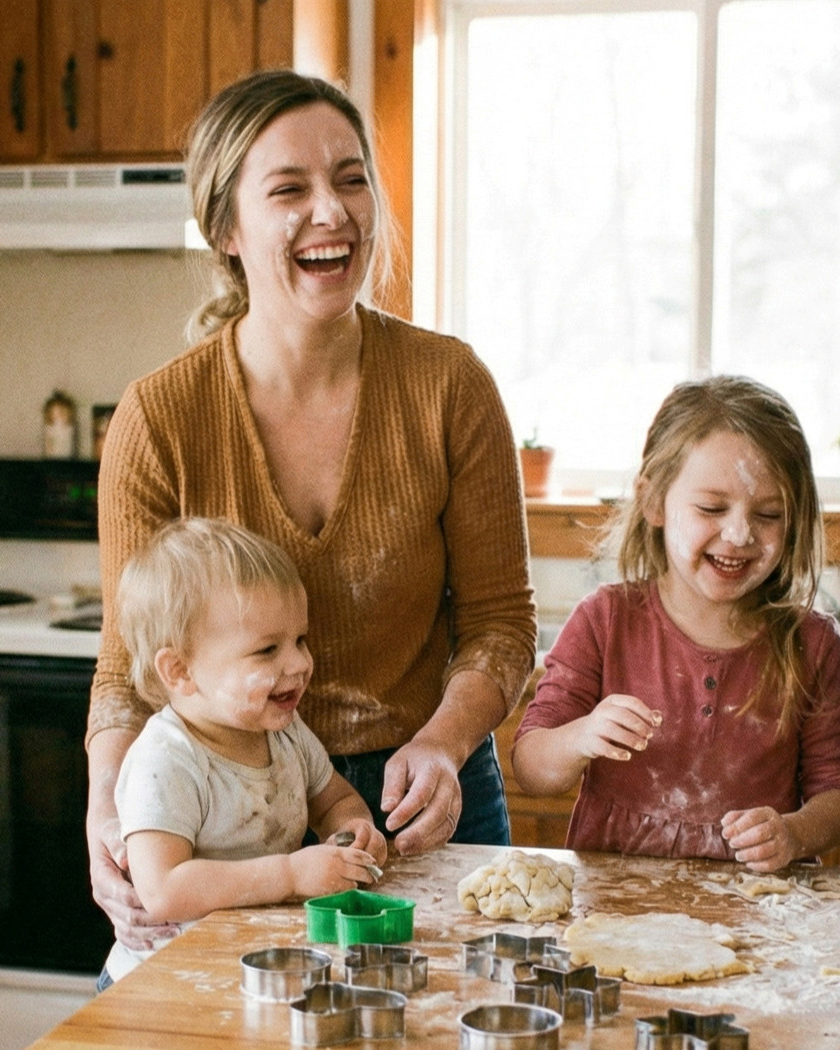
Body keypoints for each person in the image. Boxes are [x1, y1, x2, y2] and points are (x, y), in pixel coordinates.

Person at [87, 70, 536, 953]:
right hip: (222, 816)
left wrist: (443, 745)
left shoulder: (451, 386)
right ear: (226, 229)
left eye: (352, 177)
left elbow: (501, 625)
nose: (332, 210)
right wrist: (110, 809)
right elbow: (124, 665)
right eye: (289, 189)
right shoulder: (159, 418)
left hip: (419, 808)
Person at [514, 376, 840, 870]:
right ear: (654, 501)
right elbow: (532, 766)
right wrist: (580, 736)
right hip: (618, 912)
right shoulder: (605, 622)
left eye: (769, 514)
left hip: (757, 918)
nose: (740, 534)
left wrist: (793, 833)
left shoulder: (811, 644)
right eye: (711, 508)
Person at [99, 518, 385, 988]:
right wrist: (291, 874)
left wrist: (353, 831)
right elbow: (163, 889)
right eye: (267, 650)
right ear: (180, 670)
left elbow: (333, 800)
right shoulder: (166, 761)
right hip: (164, 988)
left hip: (249, 969)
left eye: (300, 640)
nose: (297, 664)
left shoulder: (285, 733)